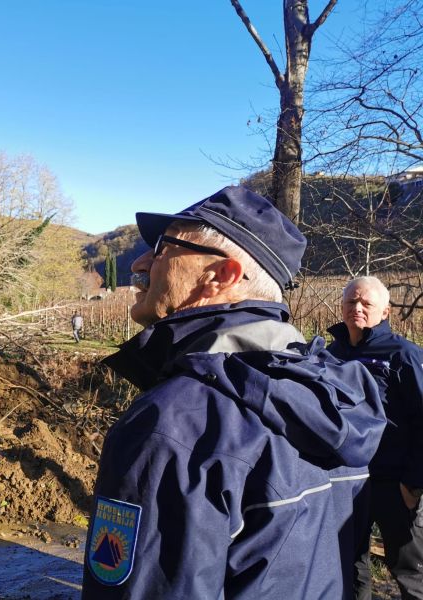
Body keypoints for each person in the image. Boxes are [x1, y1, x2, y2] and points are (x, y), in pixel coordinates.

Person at [82, 186, 385, 599]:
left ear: (222, 275)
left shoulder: (173, 425)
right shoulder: (338, 395)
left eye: (163, 248)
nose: (139, 263)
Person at [328, 276, 423, 600]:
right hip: (345, 481)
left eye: (366, 303)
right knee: (349, 564)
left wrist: (413, 482)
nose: (357, 308)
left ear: (385, 312)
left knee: (409, 568)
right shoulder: (331, 355)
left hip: (394, 483)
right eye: (351, 302)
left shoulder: (403, 355)